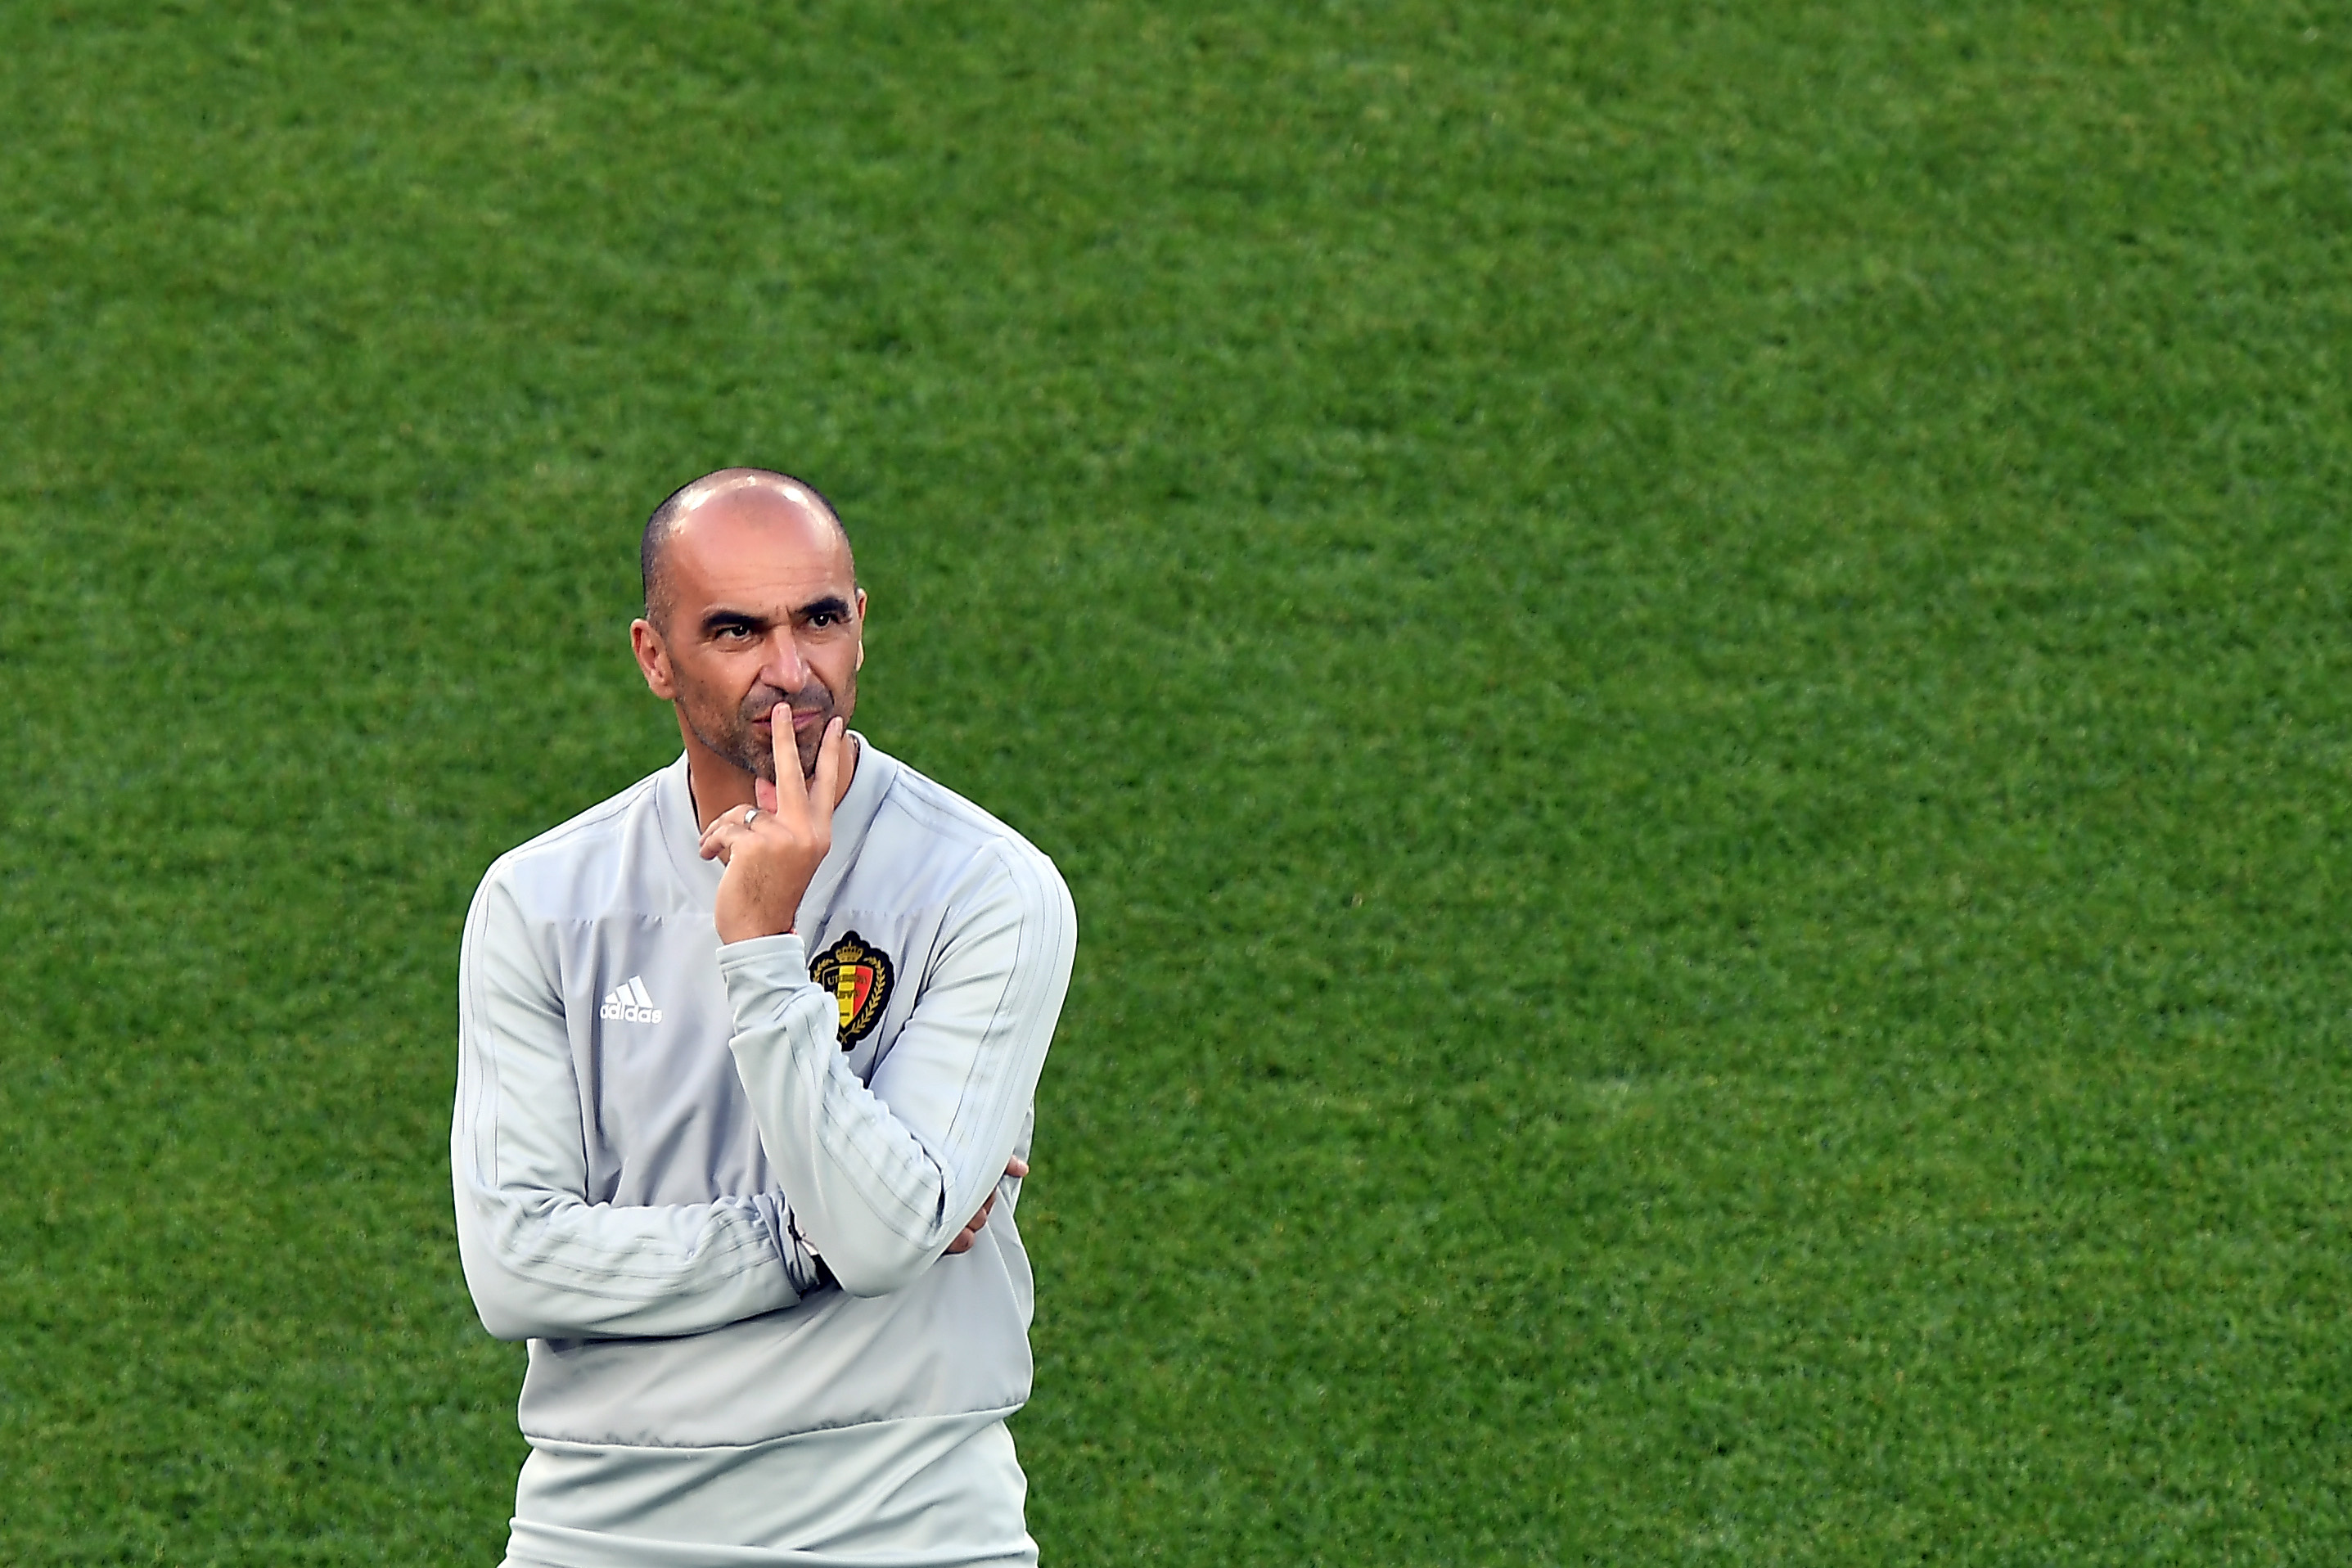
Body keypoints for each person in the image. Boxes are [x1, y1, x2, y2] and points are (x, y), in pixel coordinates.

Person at [451, 467, 1077, 1568]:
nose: (790, 672)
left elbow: (884, 1238)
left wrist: (758, 946)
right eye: (736, 630)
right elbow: (516, 1267)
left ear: (861, 628)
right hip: (598, 1540)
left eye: (819, 621)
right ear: (654, 656)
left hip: (912, 1539)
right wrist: (800, 1235)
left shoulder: (987, 889)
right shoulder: (540, 900)